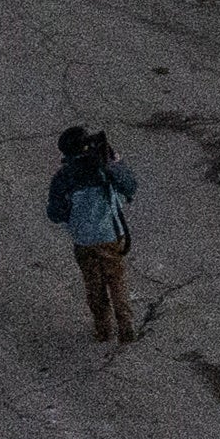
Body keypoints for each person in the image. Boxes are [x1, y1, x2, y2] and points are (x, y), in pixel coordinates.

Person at [47, 126, 139, 342]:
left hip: (83, 241)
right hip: (110, 236)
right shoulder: (103, 167)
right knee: (116, 282)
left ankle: (103, 330)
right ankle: (126, 329)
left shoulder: (63, 177)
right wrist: (114, 162)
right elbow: (130, 186)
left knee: (94, 285)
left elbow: (55, 214)